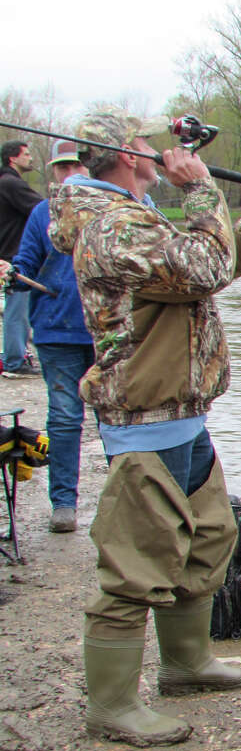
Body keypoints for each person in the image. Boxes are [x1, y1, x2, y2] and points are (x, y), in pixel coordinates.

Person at [48, 107, 241, 747]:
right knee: (134, 568)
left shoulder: (133, 219)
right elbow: (199, 268)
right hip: (143, 427)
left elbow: (201, 274)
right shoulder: (107, 227)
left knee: (207, 542)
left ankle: (186, 663)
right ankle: (113, 705)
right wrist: (201, 188)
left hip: (185, 416)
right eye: (150, 144)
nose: (160, 151)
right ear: (128, 152)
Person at [0, 141, 95, 532]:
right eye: (61, 166)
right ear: (53, 172)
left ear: (90, 167)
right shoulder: (42, 213)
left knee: (118, 420)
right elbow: (25, 265)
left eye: (76, 164)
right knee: (65, 417)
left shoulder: (121, 208)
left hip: (112, 333)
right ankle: (64, 504)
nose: (69, 172)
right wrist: (12, 275)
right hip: (57, 331)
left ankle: (127, 505)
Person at [0, 140, 40, 378]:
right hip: (13, 256)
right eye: (26, 154)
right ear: (12, 159)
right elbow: (41, 210)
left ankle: (14, 355)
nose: (30, 158)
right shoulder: (11, 184)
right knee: (17, 310)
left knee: (15, 309)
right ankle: (15, 359)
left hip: (6, 253)